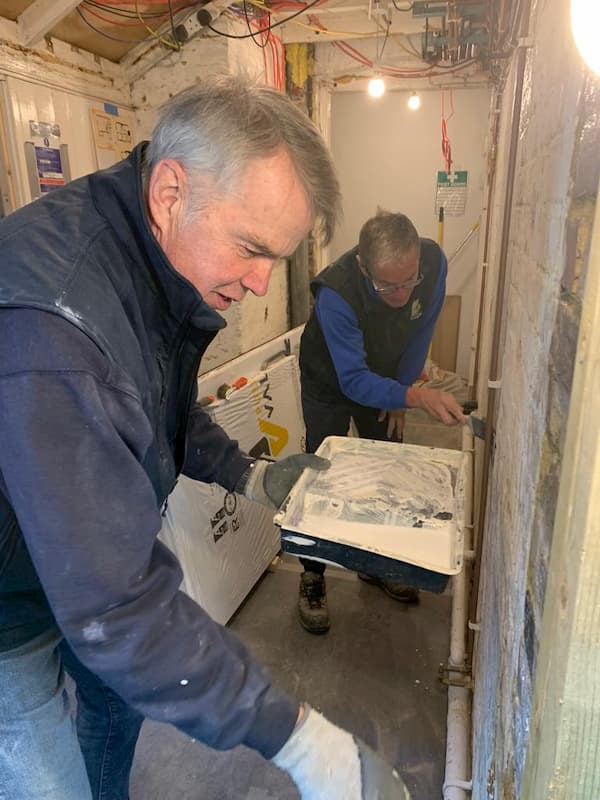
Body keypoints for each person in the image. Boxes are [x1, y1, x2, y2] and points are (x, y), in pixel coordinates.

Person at [0, 78, 411, 800]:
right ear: (170, 192)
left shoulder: (143, 250)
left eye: (276, 259)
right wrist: (306, 743)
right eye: (251, 249)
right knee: (46, 779)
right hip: (6, 598)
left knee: (114, 708)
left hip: (71, 541)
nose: (259, 283)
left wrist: (248, 475)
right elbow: (116, 610)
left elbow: (158, 401)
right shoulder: (55, 331)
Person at [297, 210, 465, 634]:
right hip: (330, 380)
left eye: (409, 280)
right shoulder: (336, 292)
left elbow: (421, 328)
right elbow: (352, 380)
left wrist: (401, 393)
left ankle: (374, 563)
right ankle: (312, 574)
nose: (402, 294)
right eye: (387, 285)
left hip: (387, 374)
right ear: (361, 265)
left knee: (386, 466)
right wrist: (415, 395)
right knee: (321, 475)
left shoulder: (433, 261)